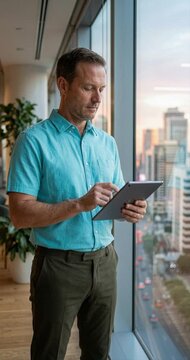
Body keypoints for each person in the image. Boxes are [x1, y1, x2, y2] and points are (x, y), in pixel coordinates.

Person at [7, 48, 147, 360]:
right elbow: (19, 214)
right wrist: (78, 204)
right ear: (63, 85)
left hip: (106, 261)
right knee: (49, 353)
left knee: (98, 352)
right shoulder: (33, 141)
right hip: (58, 267)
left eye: (101, 89)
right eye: (88, 88)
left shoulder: (107, 143)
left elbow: (115, 198)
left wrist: (131, 209)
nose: (97, 98)